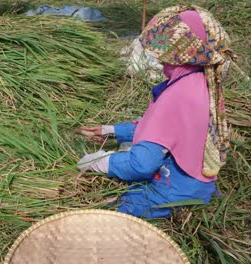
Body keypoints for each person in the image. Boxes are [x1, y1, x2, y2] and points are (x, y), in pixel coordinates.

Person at [77, 5, 236, 219]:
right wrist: (112, 131)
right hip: (198, 186)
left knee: (105, 213)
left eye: (165, 52)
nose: (160, 59)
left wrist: (99, 161)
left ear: (182, 52)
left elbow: (142, 164)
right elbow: (165, 129)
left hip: (173, 191)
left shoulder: (179, 95)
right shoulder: (202, 80)